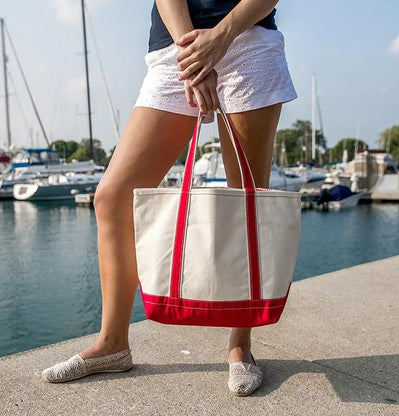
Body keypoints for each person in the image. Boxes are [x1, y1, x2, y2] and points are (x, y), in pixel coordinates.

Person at [42, 0, 297, 396]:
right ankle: (112, 344)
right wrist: (194, 55)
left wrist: (221, 37)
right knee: (111, 197)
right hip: (175, 49)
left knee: (246, 202)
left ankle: (240, 346)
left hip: (245, 40)